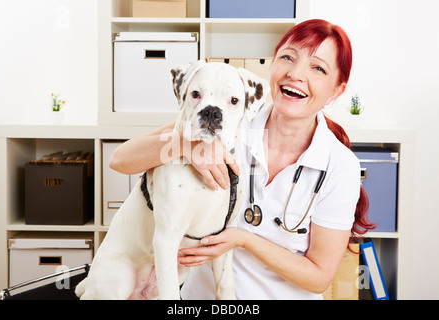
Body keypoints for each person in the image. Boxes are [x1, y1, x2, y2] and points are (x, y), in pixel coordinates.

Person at [109, 19, 375, 300]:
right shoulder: (230, 118)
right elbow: (121, 160)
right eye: (288, 57)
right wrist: (186, 146)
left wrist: (244, 240)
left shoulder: (339, 165)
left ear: (336, 90)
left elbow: (319, 277)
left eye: (318, 68)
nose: (296, 74)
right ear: (273, 63)